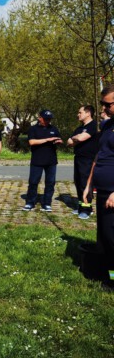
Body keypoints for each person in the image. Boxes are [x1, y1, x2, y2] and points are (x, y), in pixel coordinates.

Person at [83, 85, 114, 288]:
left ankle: (113, 280)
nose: (103, 109)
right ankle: (108, 273)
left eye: (107, 104)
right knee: (104, 237)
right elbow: (98, 156)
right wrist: (88, 185)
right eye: (102, 104)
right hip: (102, 190)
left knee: (112, 237)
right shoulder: (107, 126)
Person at [22, 110, 63, 212]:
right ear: (39, 118)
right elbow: (31, 142)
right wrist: (47, 140)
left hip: (51, 160)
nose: (48, 121)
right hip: (37, 160)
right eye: (46, 119)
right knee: (33, 182)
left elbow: (59, 139)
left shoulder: (54, 128)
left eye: (49, 119)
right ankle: (30, 202)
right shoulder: (33, 129)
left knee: (50, 182)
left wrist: (59, 141)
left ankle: (47, 203)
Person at [67, 105, 98, 219]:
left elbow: (80, 139)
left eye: (80, 112)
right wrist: (77, 137)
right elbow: (69, 142)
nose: (78, 114)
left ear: (88, 113)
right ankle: (81, 206)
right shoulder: (79, 128)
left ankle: (87, 209)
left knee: (86, 183)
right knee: (78, 182)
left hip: (89, 159)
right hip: (78, 158)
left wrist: (76, 138)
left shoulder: (93, 125)